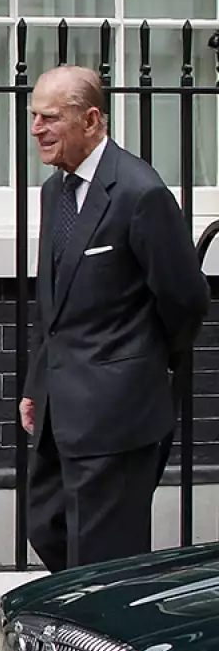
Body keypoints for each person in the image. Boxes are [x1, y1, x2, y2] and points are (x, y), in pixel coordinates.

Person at [20, 64, 209, 572]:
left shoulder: (139, 193)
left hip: (119, 413)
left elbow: (186, 298)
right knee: (47, 527)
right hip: (62, 408)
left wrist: (142, 364)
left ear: (93, 120)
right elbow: (53, 306)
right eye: (34, 115)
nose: (36, 128)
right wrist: (38, 383)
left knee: (103, 562)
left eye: (51, 117)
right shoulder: (53, 192)